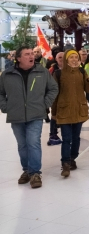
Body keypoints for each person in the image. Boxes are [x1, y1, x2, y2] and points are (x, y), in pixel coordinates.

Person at [0, 47, 58, 189]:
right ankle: (26, 170)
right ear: (18, 58)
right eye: (27, 54)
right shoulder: (7, 74)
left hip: (36, 114)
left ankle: (35, 173)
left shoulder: (42, 72)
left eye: (32, 54)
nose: (31, 56)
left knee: (33, 142)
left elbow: (53, 88)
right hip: (16, 115)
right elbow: (0, 93)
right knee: (22, 144)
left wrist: (44, 104)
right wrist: (5, 106)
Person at [53, 50, 89, 177]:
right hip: (64, 111)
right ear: (66, 60)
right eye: (71, 57)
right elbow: (55, 94)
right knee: (66, 138)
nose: (74, 59)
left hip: (79, 110)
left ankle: (72, 158)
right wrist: (53, 112)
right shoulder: (58, 74)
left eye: (76, 57)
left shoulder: (81, 72)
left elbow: (88, 90)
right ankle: (65, 163)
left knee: (76, 138)